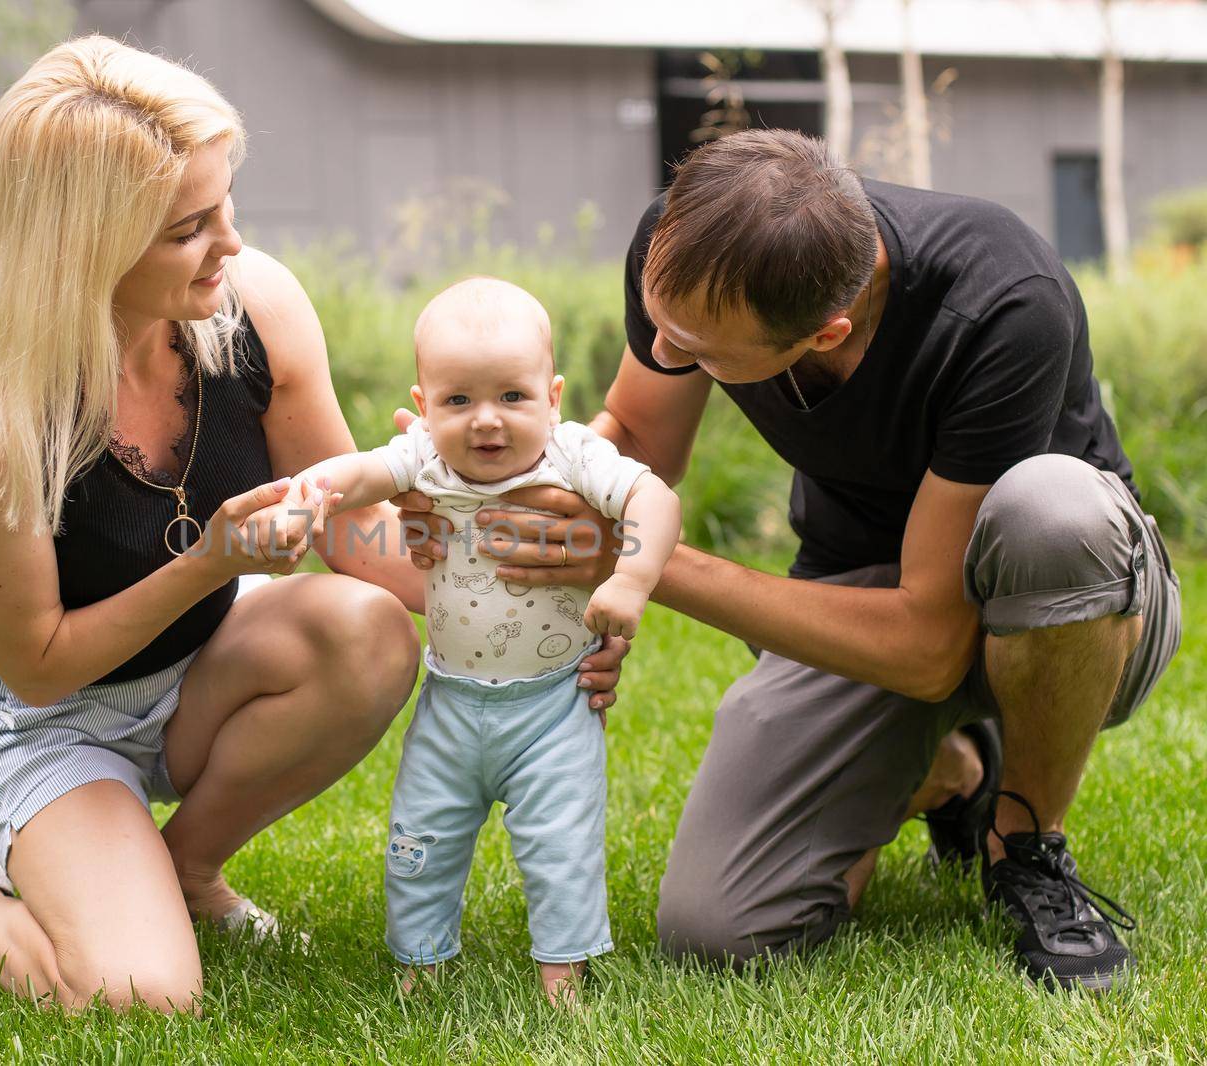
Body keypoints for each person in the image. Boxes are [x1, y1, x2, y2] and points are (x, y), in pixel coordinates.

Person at [0, 37, 627, 1014]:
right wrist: (209, 560)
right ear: (82, 246)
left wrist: (524, 585)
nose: (230, 243)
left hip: (197, 662)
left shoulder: (254, 306)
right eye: (189, 229)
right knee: (139, 995)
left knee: (364, 632)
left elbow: (355, 544)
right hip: (40, 716)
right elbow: (39, 663)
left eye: (226, 206)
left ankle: (179, 870)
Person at [400, 130, 1181, 993]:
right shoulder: (687, 245)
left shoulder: (1003, 302)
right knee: (719, 927)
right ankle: (950, 772)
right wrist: (495, 496)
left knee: (1051, 511)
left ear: (825, 333)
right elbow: (638, 443)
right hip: (855, 594)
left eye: (698, 352)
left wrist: (638, 563)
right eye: (660, 326)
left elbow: (925, 646)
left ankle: (1026, 841)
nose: (665, 356)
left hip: (1065, 593)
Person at [271, 278, 680, 1004]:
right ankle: (420, 967)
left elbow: (656, 497)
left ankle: (564, 976)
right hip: (450, 704)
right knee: (418, 844)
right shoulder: (423, 458)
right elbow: (363, 471)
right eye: (459, 400)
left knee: (561, 849)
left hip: (554, 706)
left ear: (553, 397)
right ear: (424, 407)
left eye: (512, 398)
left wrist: (632, 576)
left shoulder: (574, 456)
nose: (487, 422)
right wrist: (312, 493)